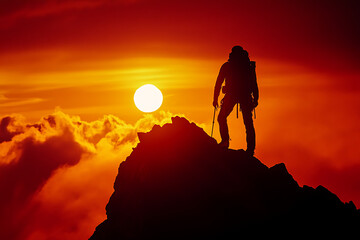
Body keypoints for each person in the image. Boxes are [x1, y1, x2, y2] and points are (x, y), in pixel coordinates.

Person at [213, 46, 259, 155]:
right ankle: (250, 149)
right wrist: (256, 98)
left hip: (231, 95)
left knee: (221, 117)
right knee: (248, 123)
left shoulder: (227, 66)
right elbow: (254, 83)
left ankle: (225, 141)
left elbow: (218, 83)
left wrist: (215, 98)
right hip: (245, 96)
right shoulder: (248, 67)